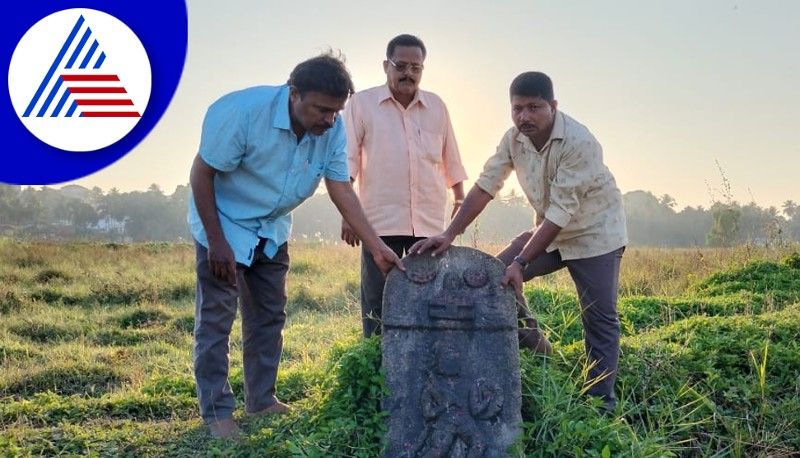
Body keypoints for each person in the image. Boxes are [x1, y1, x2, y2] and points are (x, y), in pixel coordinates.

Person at [187, 52, 404, 439]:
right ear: (294, 94)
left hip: (271, 228)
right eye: (321, 109)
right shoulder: (242, 113)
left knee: (269, 317)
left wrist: (376, 246)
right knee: (217, 321)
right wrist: (217, 243)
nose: (329, 119)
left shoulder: (331, 129)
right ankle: (217, 413)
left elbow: (340, 187)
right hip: (225, 224)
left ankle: (261, 400)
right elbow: (201, 173)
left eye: (336, 112)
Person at [411, 71, 627, 412]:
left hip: (594, 235)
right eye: (517, 109)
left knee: (599, 319)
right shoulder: (513, 140)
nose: (524, 117)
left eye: (534, 108)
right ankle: (540, 349)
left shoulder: (579, 142)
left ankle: (600, 405)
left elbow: (561, 211)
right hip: (549, 233)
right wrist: (449, 233)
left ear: (553, 106)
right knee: (494, 281)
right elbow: (485, 186)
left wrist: (522, 262)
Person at [341, 34, 467, 337]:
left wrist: (460, 200)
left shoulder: (437, 106)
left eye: (416, 67)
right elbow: (347, 159)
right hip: (379, 226)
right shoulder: (362, 104)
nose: (408, 73)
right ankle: (376, 370)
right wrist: (347, 215)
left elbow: (451, 157)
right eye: (401, 65)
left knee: (430, 302)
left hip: (429, 228)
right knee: (378, 303)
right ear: (386, 65)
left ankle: (425, 371)